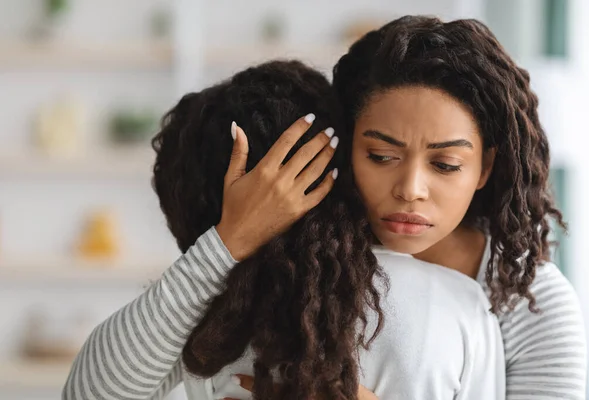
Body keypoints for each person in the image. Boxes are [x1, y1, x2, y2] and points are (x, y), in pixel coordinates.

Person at [62, 60, 504, 400]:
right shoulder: (461, 306)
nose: (411, 190)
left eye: (445, 164)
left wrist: (226, 241)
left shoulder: (214, 318)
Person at [328, 15, 586, 399]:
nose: (410, 190)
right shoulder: (308, 257)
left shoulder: (532, 306)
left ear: (484, 168)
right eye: (381, 156)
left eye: (445, 165)